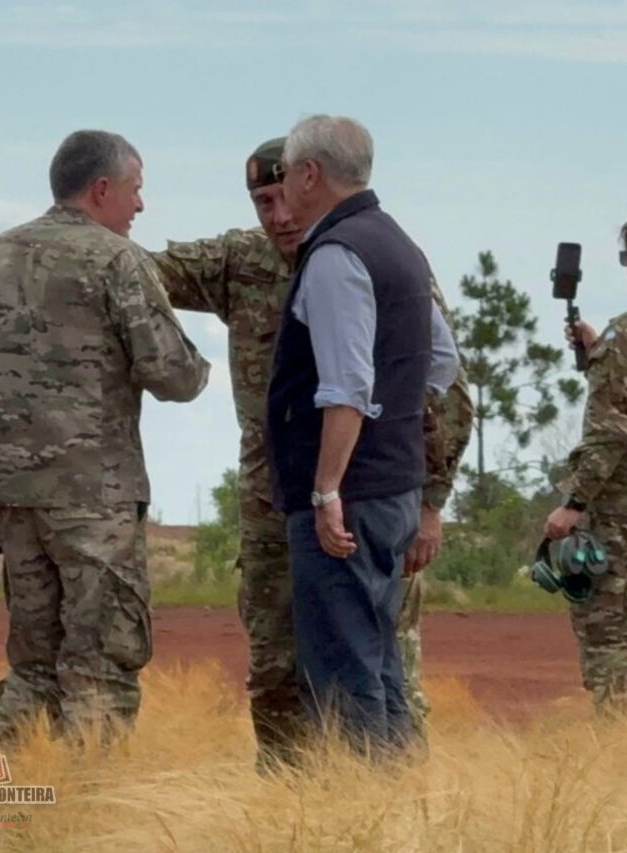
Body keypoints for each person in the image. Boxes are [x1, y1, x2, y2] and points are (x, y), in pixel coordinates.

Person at [152, 138, 473, 765]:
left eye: (284, 197)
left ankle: (389, 802)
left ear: (311, 182)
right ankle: (290, 806)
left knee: (380, 663)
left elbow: (445, 391)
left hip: (363, 494)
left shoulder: (365, 254)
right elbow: (129, 270)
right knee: (277, 670)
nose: (278, 217)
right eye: (261, 202)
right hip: (275, 502)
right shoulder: (238, 261)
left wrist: (430, 502)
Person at [0, 129, 210, 744]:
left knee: (33, 667)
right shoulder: (117, 260)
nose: (140, 206)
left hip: (12, 498)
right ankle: (86, 816)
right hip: (95, 499)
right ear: (102, 188)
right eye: (137, 190)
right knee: (101, 667)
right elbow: (173, 374)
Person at [266, 115, 460, 753]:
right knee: (379, 661)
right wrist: (396, 425)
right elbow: (440, 363)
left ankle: (359, 817)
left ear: (311, 174)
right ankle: (402, 811)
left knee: (343, 671)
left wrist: (326, 490)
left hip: (348, 499)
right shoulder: (398, 245)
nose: (284, 189)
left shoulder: (336, 255)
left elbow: (346, 387)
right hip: (395, 490)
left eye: (287, 174)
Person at [545, 220, 627, 712]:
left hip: (618, 519)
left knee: (609, 637)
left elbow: (611, 433)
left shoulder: (623, 338)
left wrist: (573, 503)